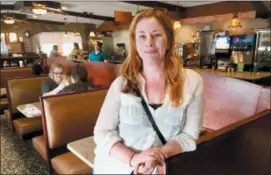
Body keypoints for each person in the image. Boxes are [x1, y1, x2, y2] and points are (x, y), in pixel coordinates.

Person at [93, 9, 204, 174]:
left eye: (157, 35)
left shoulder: (192, 81)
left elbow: (190, 134)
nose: (149, 42)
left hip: (161, 168)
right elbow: (102, 132)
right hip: (116, 167)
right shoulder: (121, 84)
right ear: (135, 43)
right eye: (142, 36)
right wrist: (133, 158)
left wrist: (159, 155)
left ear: (169, 40)